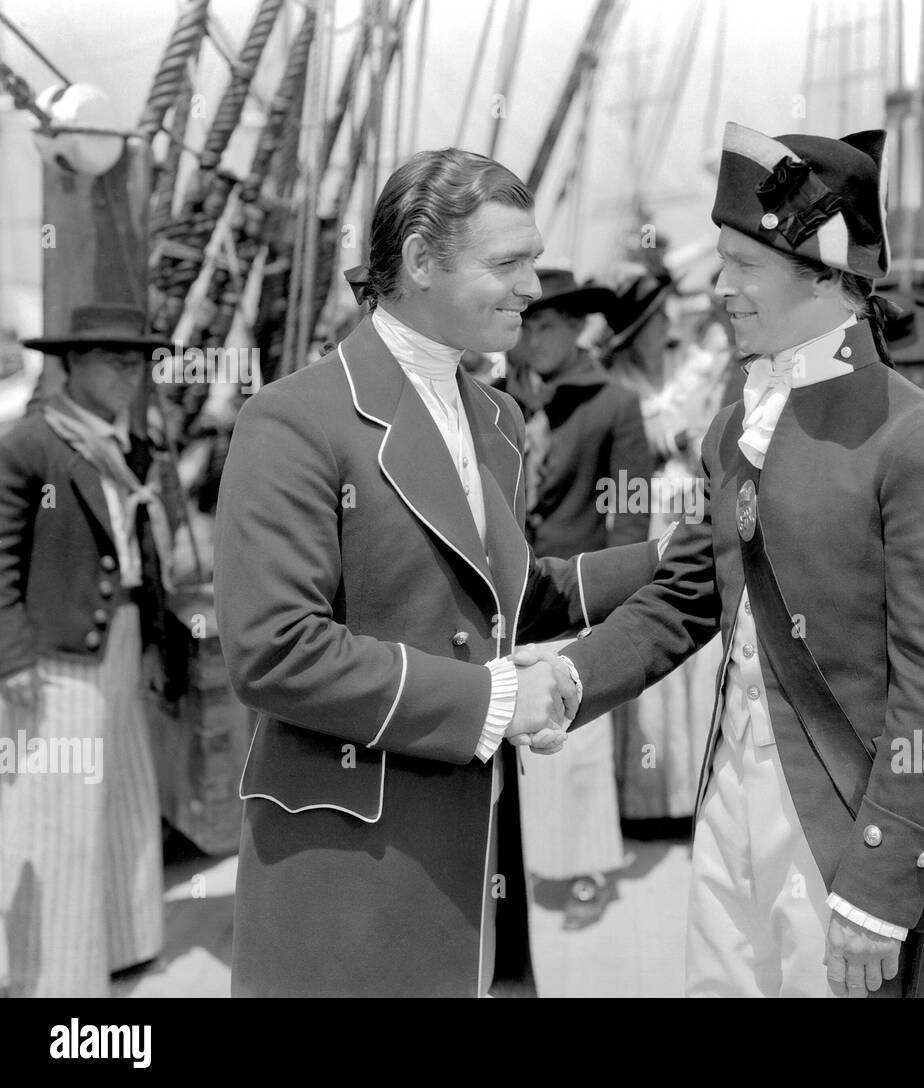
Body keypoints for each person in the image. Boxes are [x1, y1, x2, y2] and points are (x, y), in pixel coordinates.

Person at [539, 122, 924, 997]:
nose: (721, 289)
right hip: (728, 814)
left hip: (843, 831)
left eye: (743, 267)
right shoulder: (736, 424)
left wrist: (882, 882)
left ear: (824, 274)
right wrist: (568, 679)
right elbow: (687, 592)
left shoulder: (922, 441)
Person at [212, 149, 662, 997]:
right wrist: (492, 698)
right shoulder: (293, 420)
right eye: (508, 263)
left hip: (470, 849)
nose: (532, 287)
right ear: (420, 261)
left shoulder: (496, 416)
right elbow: (273, 651)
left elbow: (509, 601)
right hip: (350, 868)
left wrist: (669, 557)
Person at [0, 303, 174, 996]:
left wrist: (159, 641)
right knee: (60, 811)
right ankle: (59, 979)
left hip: (122, 637)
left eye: (137, 361)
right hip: (56, 652)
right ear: (71, 364)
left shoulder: (128, 443)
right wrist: (11, 655)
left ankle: (127, 942)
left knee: (127, 797)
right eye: (113, 359)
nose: (130, 373)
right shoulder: (31, 444)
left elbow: (144, 558)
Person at [509, 268, 655, 928]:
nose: (533, 339)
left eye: (546, 326)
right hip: (512, 593)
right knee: (514, 729)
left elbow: (629, 519)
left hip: (576, 594)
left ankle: (590, 868)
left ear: (574, 330)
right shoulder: (499, 401)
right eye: (526, 325)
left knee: (574, 737)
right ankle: (519, 863)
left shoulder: (613, 405)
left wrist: (610, 609)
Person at [602, 274, 729, 823]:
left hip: (693, 507)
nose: (667, 324)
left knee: (694, 635)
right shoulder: (619, 383)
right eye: (656, 319)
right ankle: (646, 799)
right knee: (651, 622)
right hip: (646, 511)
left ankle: (691, 795)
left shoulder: (697, 369)